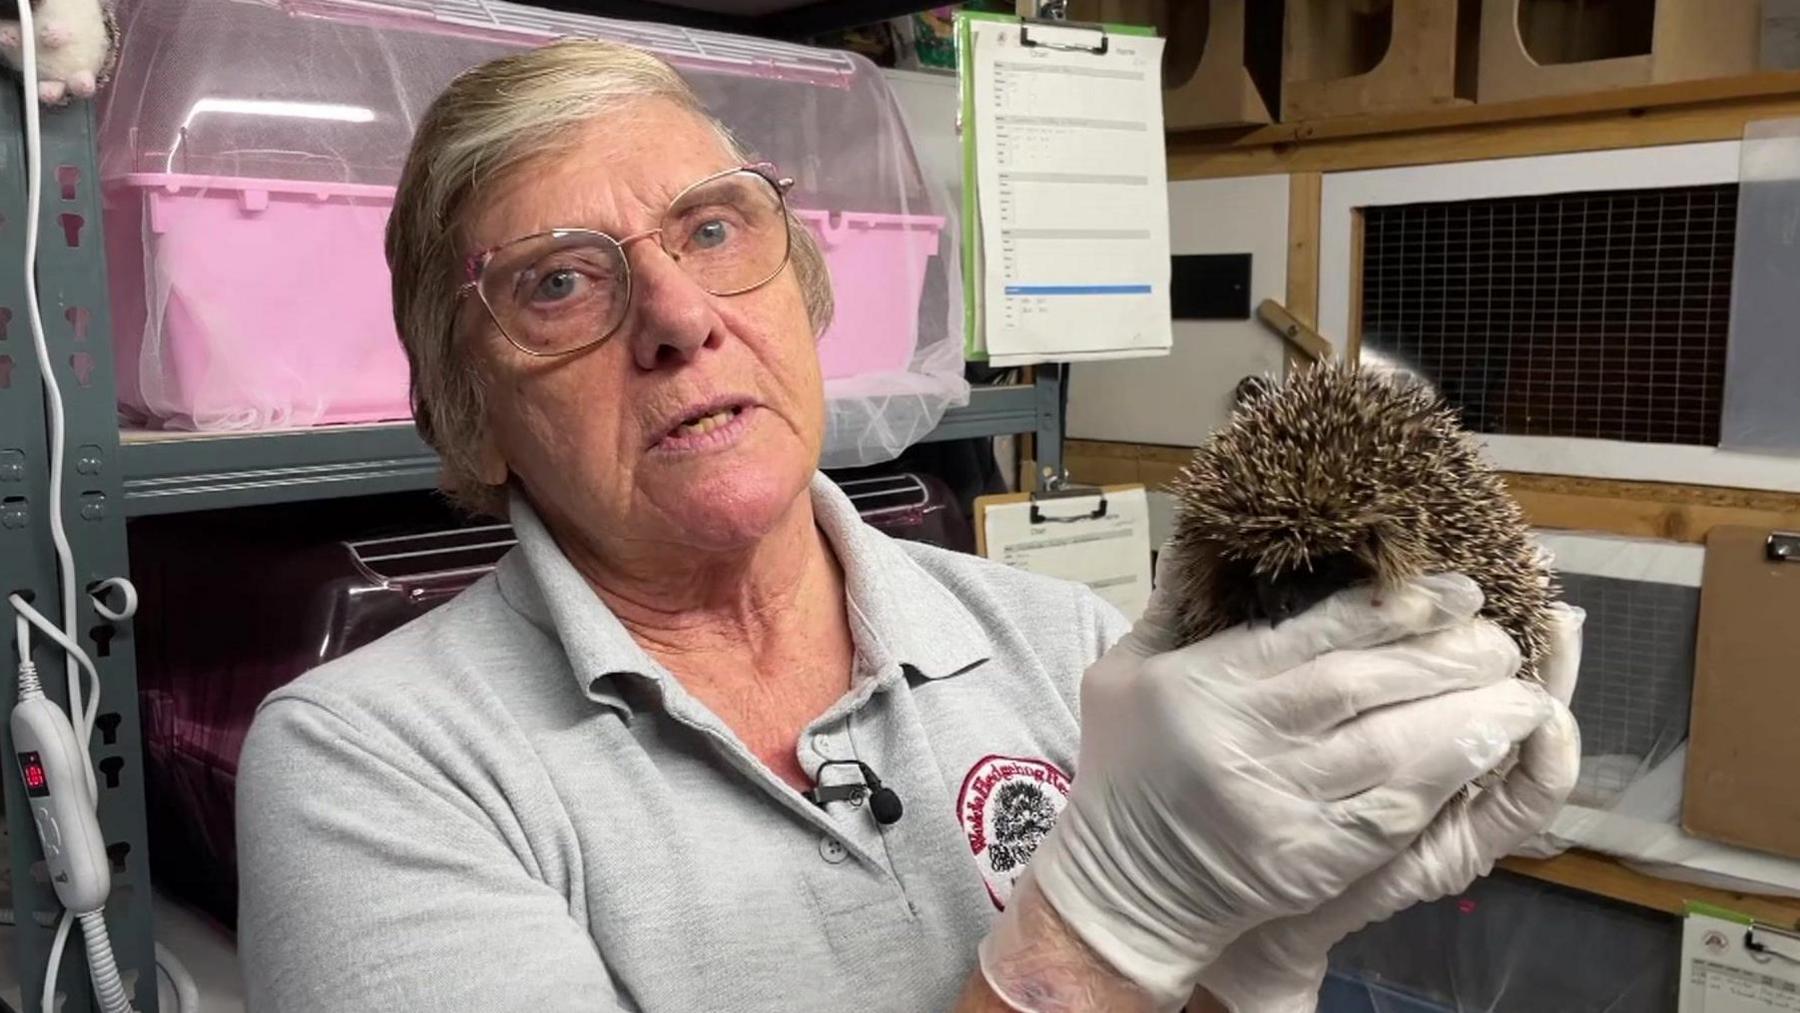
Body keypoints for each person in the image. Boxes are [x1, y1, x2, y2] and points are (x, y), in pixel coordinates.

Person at [235, 40, 1583, 1013]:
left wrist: (1257, 963)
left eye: (713, 229)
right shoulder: (367, 770)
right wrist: (1093, 937)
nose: (677, 315)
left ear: (806, 298)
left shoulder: (1060, 638)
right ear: (468, 416)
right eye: (560, 281)